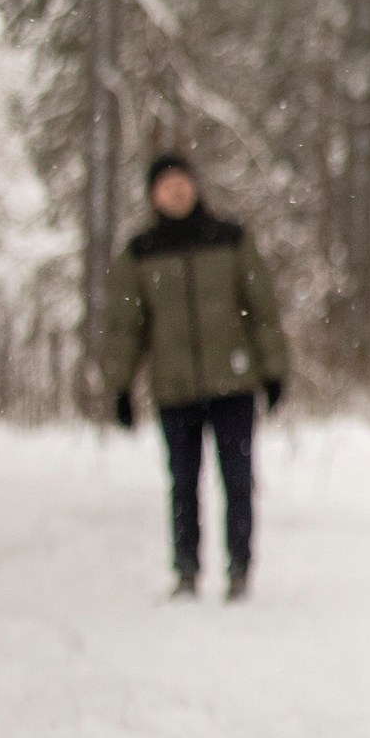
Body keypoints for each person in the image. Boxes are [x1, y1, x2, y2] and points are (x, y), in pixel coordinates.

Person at [103, 151, 290, 602]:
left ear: (196, 185)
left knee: (238, 479)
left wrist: (273, 370)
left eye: (182, 181)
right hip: (175, 388)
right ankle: (186, 571)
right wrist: (120, 386)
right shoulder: (140, 253)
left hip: (234, 384)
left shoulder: (230, 239)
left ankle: (240, 568)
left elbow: (262, 310)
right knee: (183, 484)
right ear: (153, 194)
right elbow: (127, 327)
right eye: (165, 184)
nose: (176, 190)